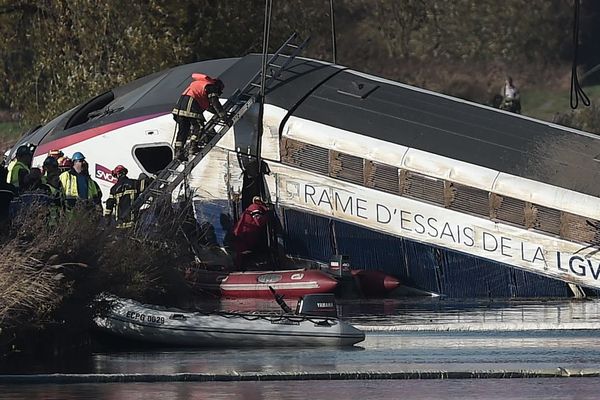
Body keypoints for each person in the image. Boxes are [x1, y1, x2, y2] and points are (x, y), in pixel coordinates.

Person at [171, 73, 229, 161]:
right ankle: (193, 147)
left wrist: (217, 113)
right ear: (218, 86)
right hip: (190, 104)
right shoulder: (211, 87)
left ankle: (178, 152)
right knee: (199, 126)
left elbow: (209, 107)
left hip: (179, 106)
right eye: (220, 90)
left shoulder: (201, 85)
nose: (219, 93)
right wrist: (224, 117)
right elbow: (215, 103)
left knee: (183, 130)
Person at [232, 196, 271, 267]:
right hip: (246, 234)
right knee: (242, 253)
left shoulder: (252, 207)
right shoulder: (255, 207)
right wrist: (268, 215)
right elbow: (259, 221)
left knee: (240, 254)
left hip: (243, 234)